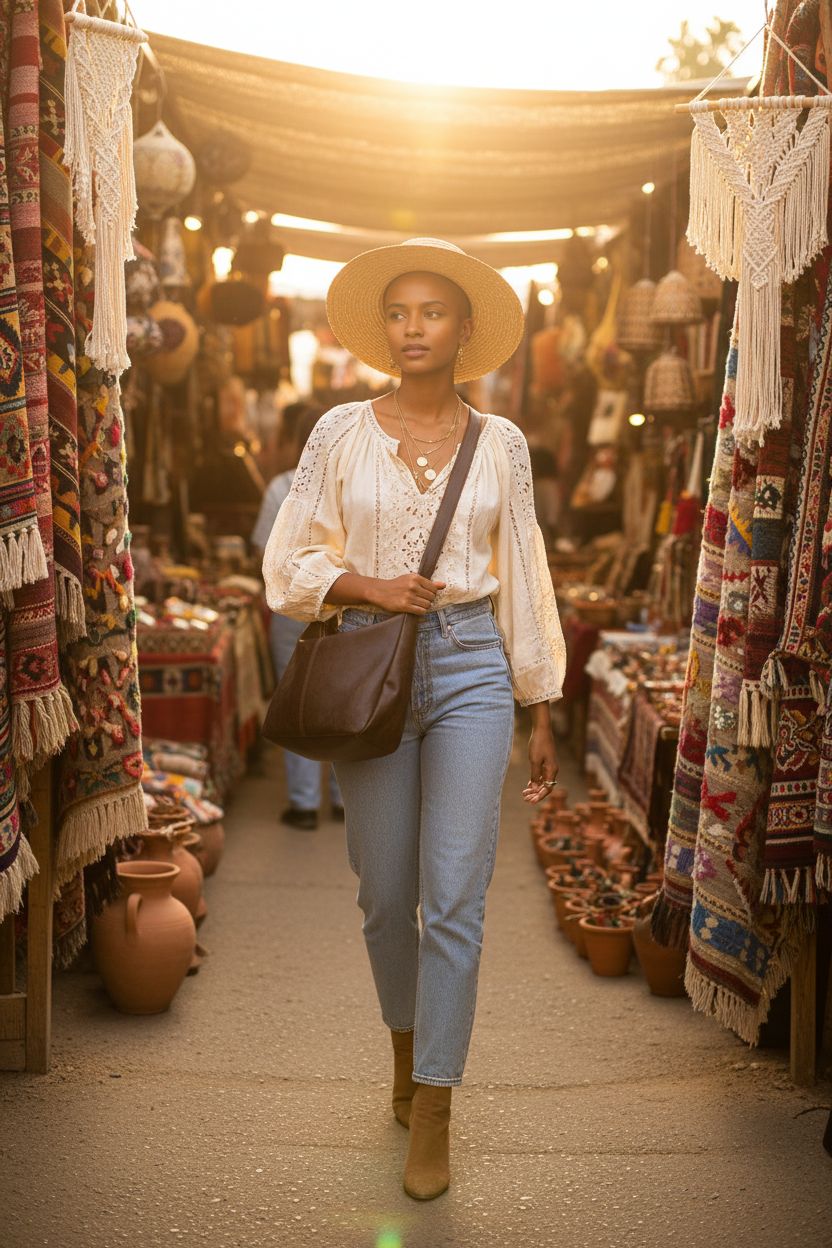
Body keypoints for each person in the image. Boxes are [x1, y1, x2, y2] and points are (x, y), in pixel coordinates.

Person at [262, 238, 565, 1201]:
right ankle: (405, 1048)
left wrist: (539, 701)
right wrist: (369, 585)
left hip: (473, 664)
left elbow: (523, 565)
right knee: (386, 894)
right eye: (398, 313)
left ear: (465, 329)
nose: (413, 328)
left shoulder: (502, 443)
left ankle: (435, 1102)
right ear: (382, 330)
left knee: (457, 897)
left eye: (432, 312)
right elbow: (287, 561)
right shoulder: (339, 432)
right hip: (371, 667)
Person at [252, 403, 344, 829]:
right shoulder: (354, 485)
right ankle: (344, 798)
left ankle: (304, 804)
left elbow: (264, 552)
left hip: (293, 608)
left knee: (296, 700)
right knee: (344, 697)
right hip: (346, 605)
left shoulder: (282, 487)